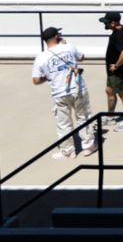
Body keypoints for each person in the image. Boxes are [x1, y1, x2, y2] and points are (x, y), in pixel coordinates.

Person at [31, 27, 97, 159]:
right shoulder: (69, 47)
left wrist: (47, 77)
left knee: (63, 123)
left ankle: (68, 151)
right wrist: (65, 44)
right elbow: (82, 57)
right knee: (83, 117)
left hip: (59, 93)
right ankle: (88, 146)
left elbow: (36, 80)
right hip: (78, 89)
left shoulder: (41, 57)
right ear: (56, 36)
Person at [98, 12, 123, 130]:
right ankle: (110, 117)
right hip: (112, 71)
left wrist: (116, 66)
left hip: (118, 71)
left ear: (113, 23)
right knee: (109, 90)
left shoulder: (119, 34)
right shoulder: (121, 29)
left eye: (106, 22)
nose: (104, 24)